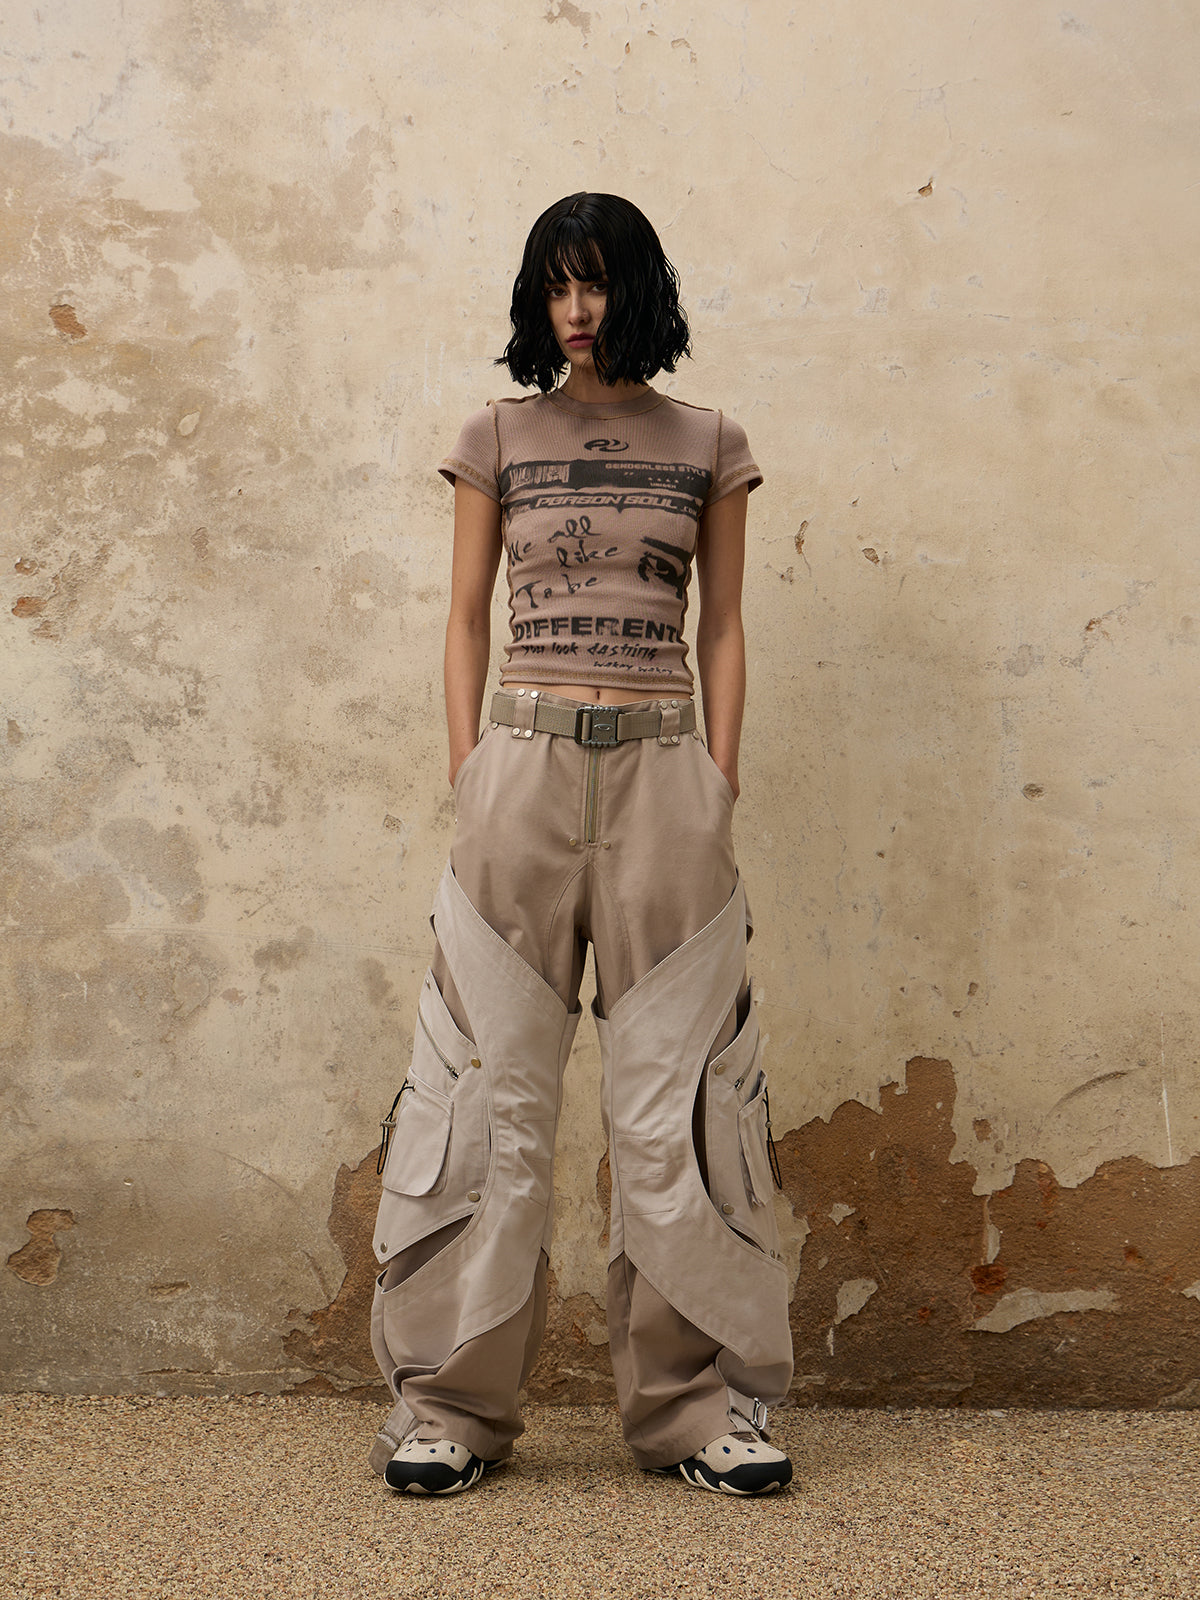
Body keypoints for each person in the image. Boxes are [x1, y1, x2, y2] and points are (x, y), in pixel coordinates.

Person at [367, 192, 794, 1497]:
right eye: (557, 284)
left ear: (637, 289)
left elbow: (723, 624)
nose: (576, 308)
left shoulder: (708, 442)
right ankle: (450, 1407)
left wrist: (717, 778)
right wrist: (472, 769)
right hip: (522, 772)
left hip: (666, 777)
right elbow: (464, 616)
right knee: (487, 1094)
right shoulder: (497, 437)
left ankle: (698, 1412)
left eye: (597, 282)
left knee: (679, 1101)